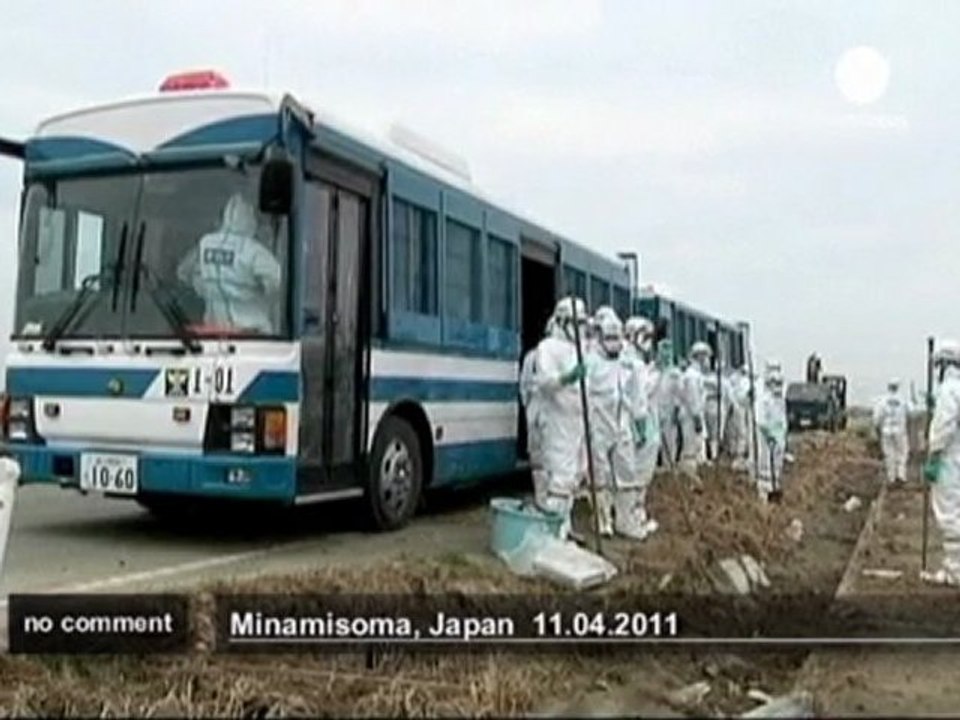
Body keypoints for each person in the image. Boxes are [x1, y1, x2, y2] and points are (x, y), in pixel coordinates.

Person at [176, 192, 282, 335]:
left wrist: (202, 284)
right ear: (250, 219)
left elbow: (183, 273)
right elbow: (278, 283)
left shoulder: (206, 243)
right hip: (252, 335)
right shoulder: (253, 251)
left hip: (212, 334)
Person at [533, 296, 589, 539]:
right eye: (576, 324)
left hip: (577, 422)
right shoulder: (548, 347)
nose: (580, 329)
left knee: (574, 476)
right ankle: (553, 534)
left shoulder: (580, 349)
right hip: (557, 421)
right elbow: (545, 382)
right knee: (559, 479)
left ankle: (565, 526)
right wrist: (567, 378)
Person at [586, 313, 642, 538]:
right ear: (599, 337)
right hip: (599, 424)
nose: (614, 343)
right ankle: (602, 520)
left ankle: (625, 521)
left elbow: (634, 394)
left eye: (617, 338)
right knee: (601, 475)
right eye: (609, 338)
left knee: (627, 472)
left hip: (622, 424)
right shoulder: (590, 362)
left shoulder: (626, 363)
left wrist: (640, 419)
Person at [922, 339, 960, 587]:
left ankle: (955, 571)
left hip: (951, 461)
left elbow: (944, 427)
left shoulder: (950, 389)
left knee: (949, 514)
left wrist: (933, 456)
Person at [623, 315, 660, 537]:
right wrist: (658, 372)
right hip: (637, 423)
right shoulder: (632, 362)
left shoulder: (636, 361)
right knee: (637, 472)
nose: (648, 341)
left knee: (641, 472)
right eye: (645, 336)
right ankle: (632, 518)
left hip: (642, 421)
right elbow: (641, 394)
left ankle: (637, 514)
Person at [520, 318, 554, 502]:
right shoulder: (535, 357)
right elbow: (525, 385)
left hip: (538, 406)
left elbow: (524, 386)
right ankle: (543, 496)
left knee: (542, 454)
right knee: (540, 455)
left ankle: (544, 496)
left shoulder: (532, 356)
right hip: (543, 405)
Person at [753, 361, 788, 502]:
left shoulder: (780, 400)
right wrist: (770, 434)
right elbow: (761, 420)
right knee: (766, 464)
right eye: (775, 383)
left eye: (780, 383)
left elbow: (782, 419)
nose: (778, 387)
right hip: (766, 437)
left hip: (778, 436)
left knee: (777, 465)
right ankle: (764, 494)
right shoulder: (764, 400)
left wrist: (781, 435)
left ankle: (775, 489)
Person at [678, 341, 711, 479]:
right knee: (691, 448)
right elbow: (693, 399)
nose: (708, 360)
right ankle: (689, 476)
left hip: (694, 416)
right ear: (699, 357)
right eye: (706, 356)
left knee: (697, 447)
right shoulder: (692, 376)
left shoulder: (696, 375)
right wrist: (697, 418)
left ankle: (692, 475)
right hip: (691, 417)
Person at [873, 378, 909, 486]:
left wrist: (877, 428)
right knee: (902, 453)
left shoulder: (882, 401)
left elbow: (877, 418)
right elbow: (910, 411)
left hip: (886, 431)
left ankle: (891, 478)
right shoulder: (903, 400)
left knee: (889, 455)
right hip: (900, 431)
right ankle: (901, 475)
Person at [726, 365, 751, 471]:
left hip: (745, 408)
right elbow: (735, 395)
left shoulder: (746, 380)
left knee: (743, 432)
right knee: (740, 432)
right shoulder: (735, 380)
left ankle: (741, 452)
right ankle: (738, 453)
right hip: (738, 407)